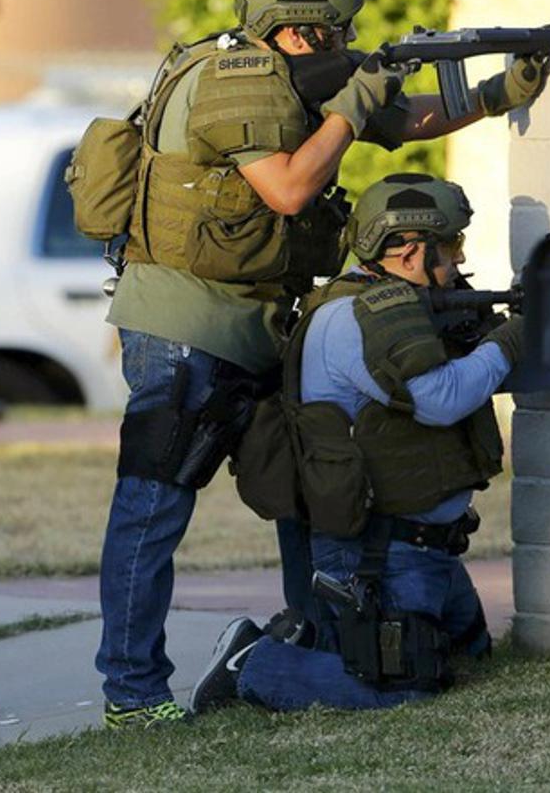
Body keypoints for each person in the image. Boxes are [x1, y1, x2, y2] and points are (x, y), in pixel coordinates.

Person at [76, 0, 550, 728]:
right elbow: (291, 189)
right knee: (153, 504)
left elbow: (396, 121)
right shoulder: (233, 80)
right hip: (186, 326)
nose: (347, 43)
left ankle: (315, 642)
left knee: (310, 484)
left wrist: (501, 91)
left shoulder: (285, 78)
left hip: (254, 324)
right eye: (338, 31)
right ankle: (132, 693)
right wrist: (355, 98)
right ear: (299, 30)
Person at [189, 174, 520, 713]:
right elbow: (439, 398)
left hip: (426, 550)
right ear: (409, 252)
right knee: (406, 688)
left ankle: (314, 641)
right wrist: (510, 341)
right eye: (451, 244)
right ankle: (251, 662)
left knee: (470, 661)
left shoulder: (394, 303)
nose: (459, 258)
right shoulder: (357, 316)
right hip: (377, 554)